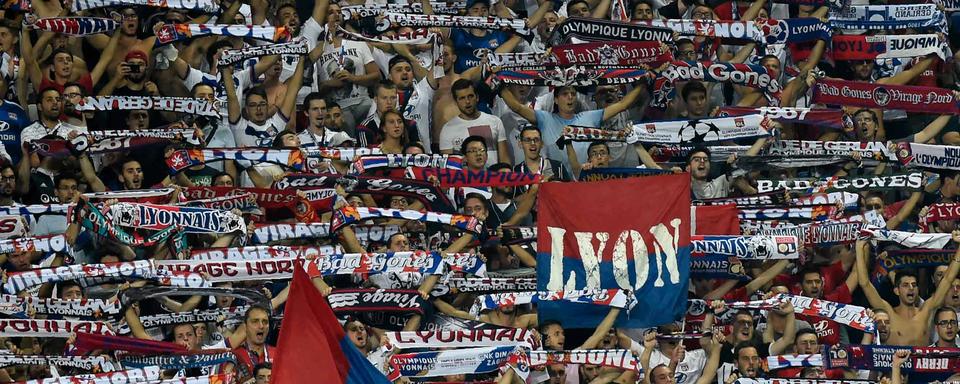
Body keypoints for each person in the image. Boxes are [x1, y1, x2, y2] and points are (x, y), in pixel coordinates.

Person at [855, 235, 960, 345]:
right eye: (905, 285)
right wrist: (859, 247)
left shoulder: (926, 311)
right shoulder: (888, 312)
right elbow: (865, 284)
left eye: (914, 285)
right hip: (895, 361)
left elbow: (948, 279)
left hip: (923, 361)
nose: (911, 288)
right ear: (897, 291)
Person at [439, 79, 510, 166]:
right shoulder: (448, 130)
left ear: (477, 97)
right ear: (455, 101)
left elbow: (504, 160)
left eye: (470, 96)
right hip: (465, 179)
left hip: (493, 178)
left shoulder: (495, 121)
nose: (467, 102)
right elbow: (448, 167)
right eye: (462, 98)